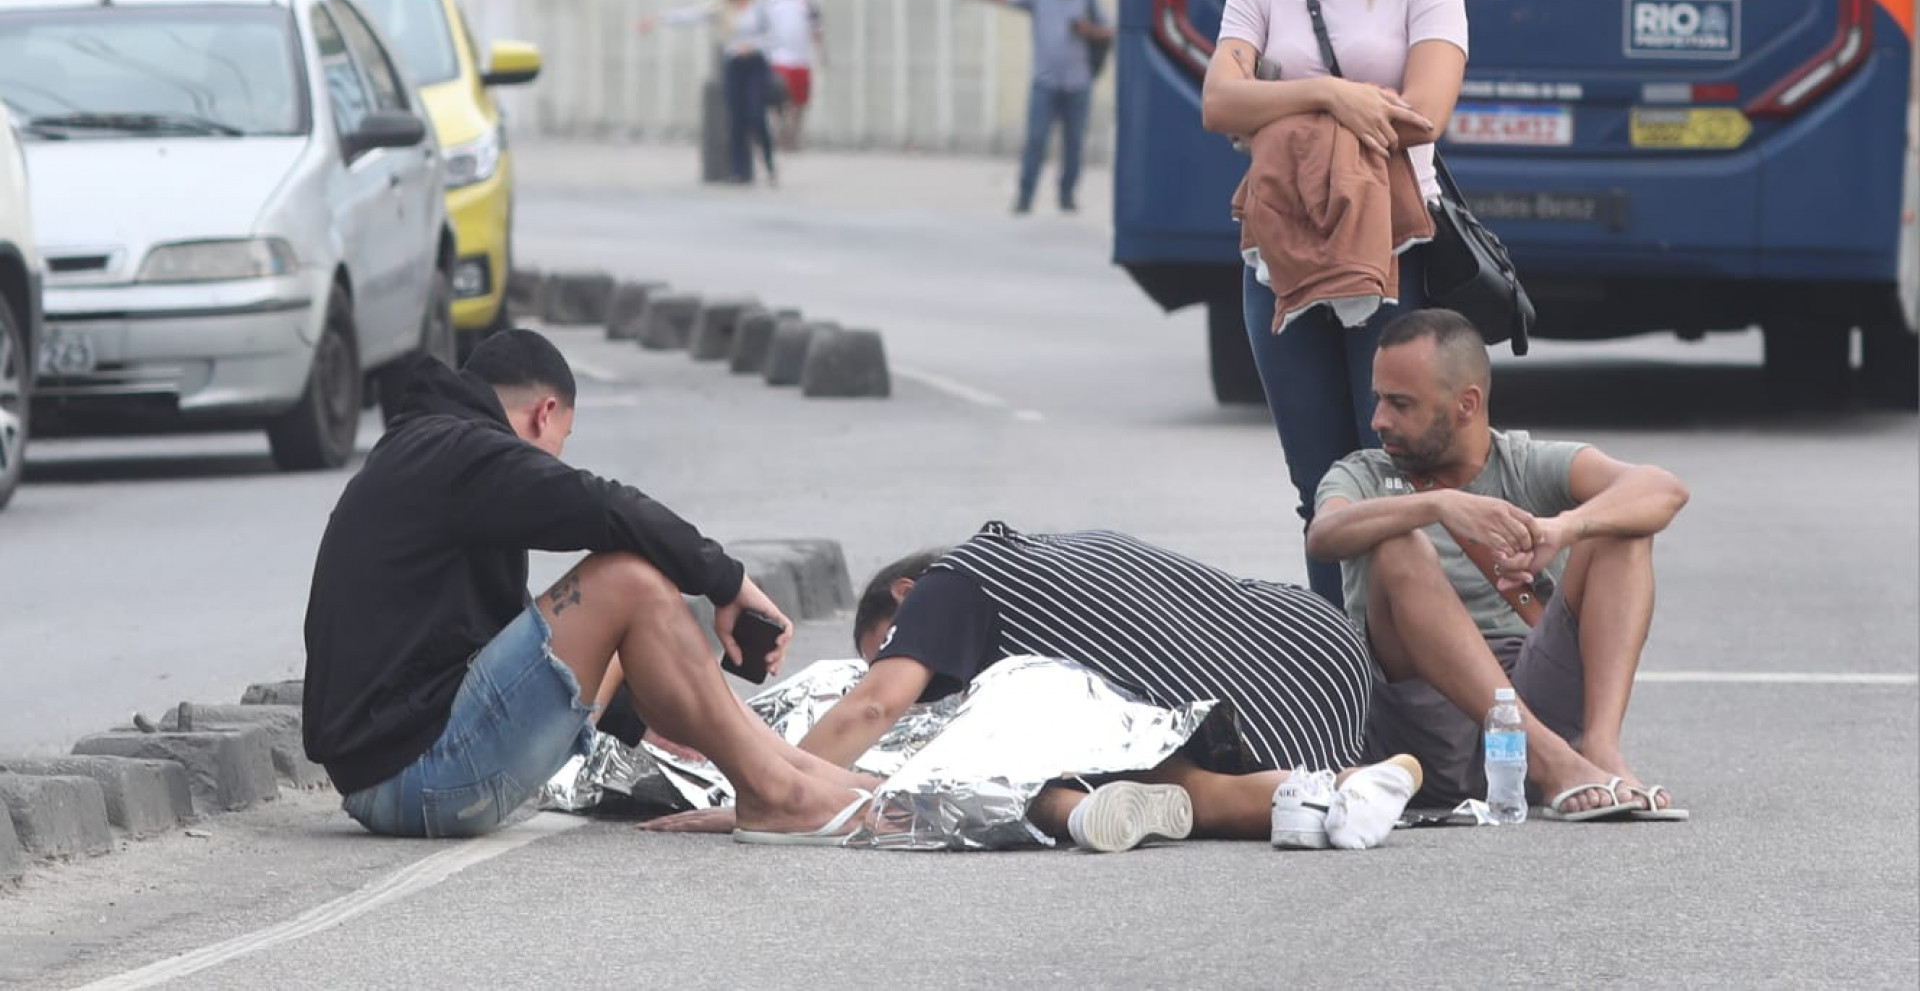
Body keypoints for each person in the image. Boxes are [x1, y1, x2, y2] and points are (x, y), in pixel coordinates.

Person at [301, 330, 871, 842]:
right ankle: (776, 793)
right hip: (416, 778)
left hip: (397, 773)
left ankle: (808, 776)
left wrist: (646, 718)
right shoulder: (463, 454)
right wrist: (728, 582)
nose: (557, 458)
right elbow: (603, 505)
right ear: (544, 414)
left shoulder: (431, 451)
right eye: (563, 440)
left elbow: (497, 641)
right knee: (626, 580)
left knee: (617, 600)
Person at [649, 522, 1426, 852]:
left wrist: (765, 786)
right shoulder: (1039, 558)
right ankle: (1351, 786)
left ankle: (1334, 787)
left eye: (890, 643)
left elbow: (874, 705)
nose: (908, 675)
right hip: (1316, 642)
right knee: (1129, 755)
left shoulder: (955, 581)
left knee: (1134, 763)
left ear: (908, 595)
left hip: (1259, 694)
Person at [1199, 0, 1469, 611]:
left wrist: (1279, 96)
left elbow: (1423, 115)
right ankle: (1338, 659)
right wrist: (1333, 95)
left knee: (1390, 475)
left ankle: (1407, 659)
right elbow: (1220, 102)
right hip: (1276, 256)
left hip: (1389, 251)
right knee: (1317, 485)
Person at [1309, 309, 1691, 820]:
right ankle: (1553, 761)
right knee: (1398, 545)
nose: (1379, 419)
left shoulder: (1523, 464)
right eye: (1378, 399)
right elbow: (1324, 535)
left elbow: (1663, 489)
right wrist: (1438, 506)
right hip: (1429, 728)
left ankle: (1599, 751)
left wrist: (1563, 529)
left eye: (1400, 404)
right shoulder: (1362, 474)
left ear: (1466, 404)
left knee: (1621, 528)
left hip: (1533, 690)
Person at [957, 0, 1112, 215]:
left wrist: (1087, 29)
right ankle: (1025, 196)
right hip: (1045, 84)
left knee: (1074, 143)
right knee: (1036, 141)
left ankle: (1067, 195)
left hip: (1078, 84)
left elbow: (1109, 32)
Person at [639, 0, 778, 185]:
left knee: (755, 114)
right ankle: (739, 171)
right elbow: (692, 15)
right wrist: (658, 19)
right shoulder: (722, 6)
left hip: (755, 63)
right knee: (736, 117)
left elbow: (773, 36)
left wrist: (754, 46)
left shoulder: (759, 7)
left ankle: (769, 163)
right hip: (734, 64)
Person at [763, 0, 825, 152]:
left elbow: (817, 28)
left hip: (801, 59)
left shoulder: (805, 0)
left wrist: (821, 51)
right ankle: (779, 134)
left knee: (799, 102)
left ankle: (793, 136)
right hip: (779, 58)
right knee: (778, 100)